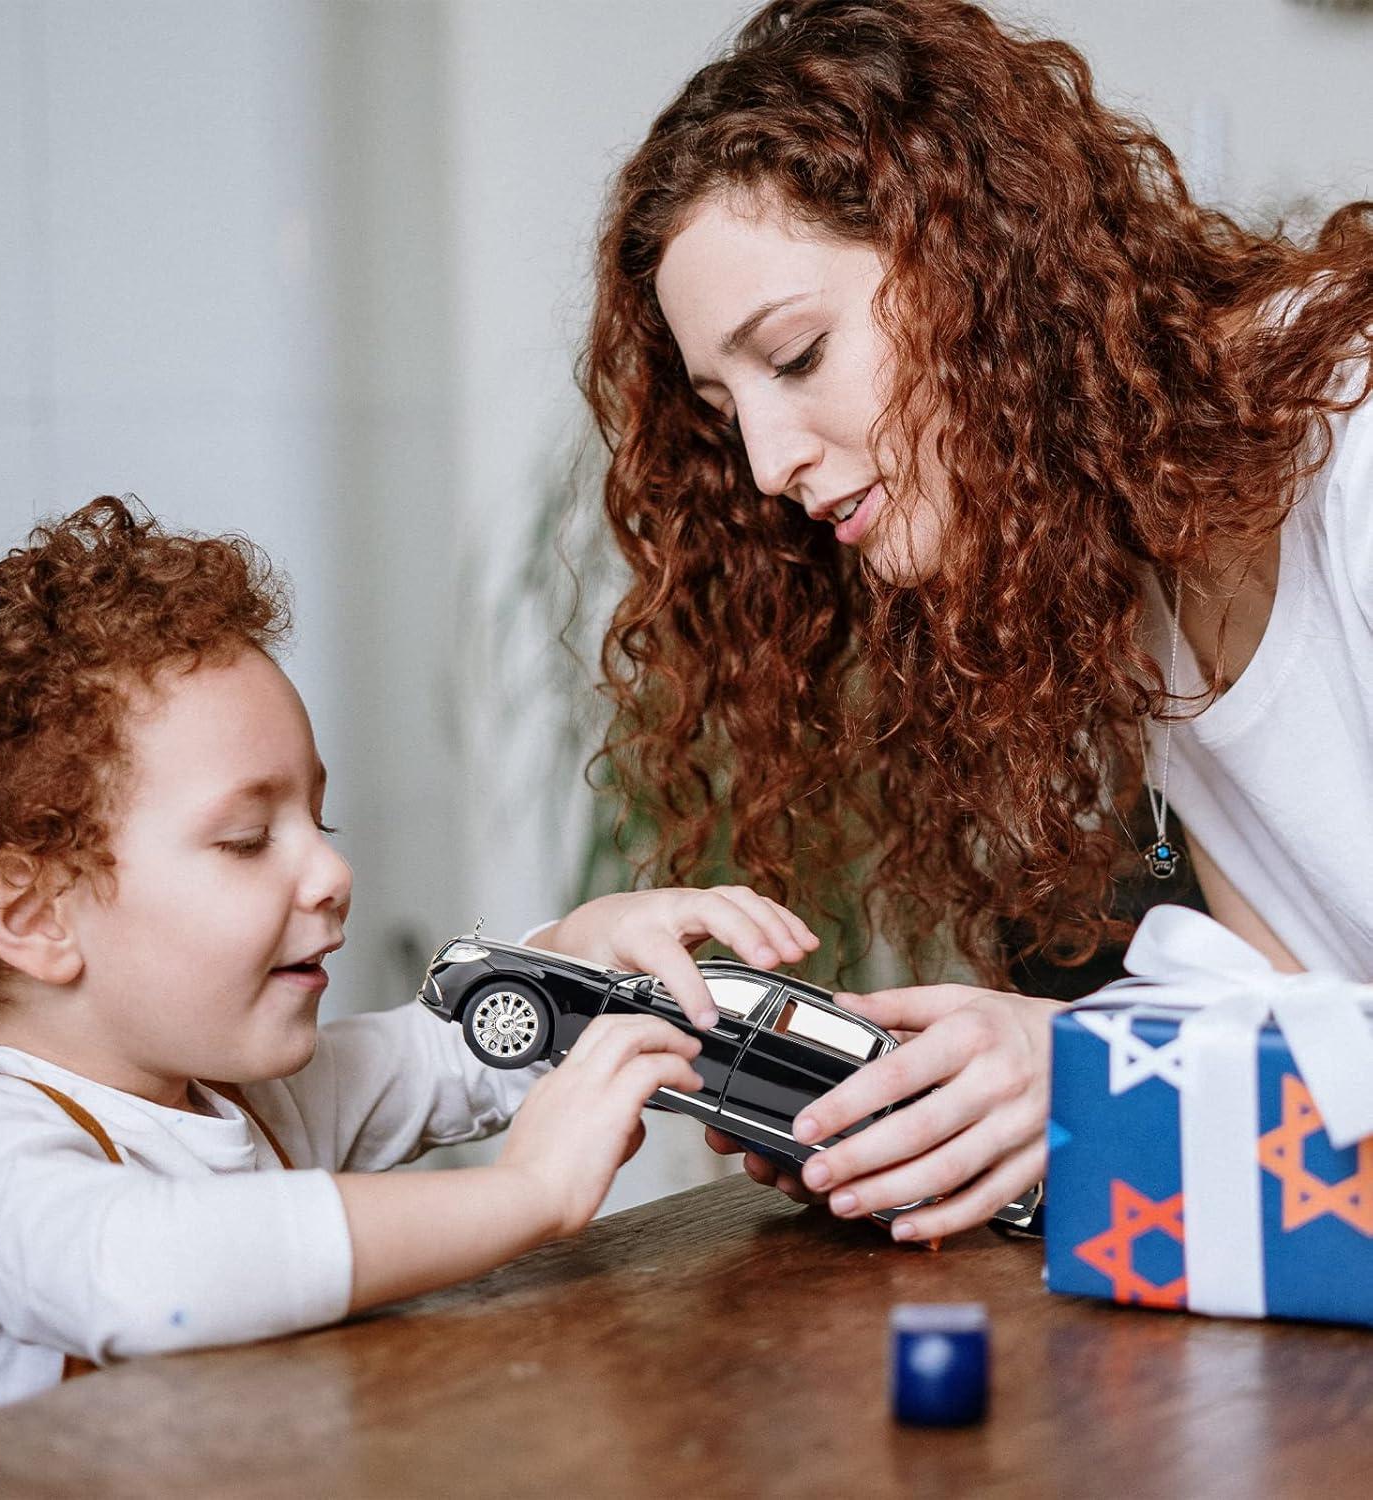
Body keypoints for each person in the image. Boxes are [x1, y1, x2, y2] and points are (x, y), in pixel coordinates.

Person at [582, 0, 1373, 1242]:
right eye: (725, 407)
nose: (768, 464)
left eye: (793, 356)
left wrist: (1089, 1072)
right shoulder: (1134, 566)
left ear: (982, 262)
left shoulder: (1359, 447)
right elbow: (1311, 1027)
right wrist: (983, 1094)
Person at [0, 496, 817, 1438]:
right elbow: (136, 1273)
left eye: (316, 822)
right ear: (32, 914)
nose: (331, 872)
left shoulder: (257, 1101)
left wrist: (582, 954)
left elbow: (461, 1049)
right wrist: (521, 1195)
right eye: (246, 841)